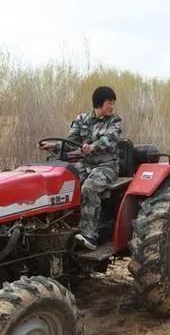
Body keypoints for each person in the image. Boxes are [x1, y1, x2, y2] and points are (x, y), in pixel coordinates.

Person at [40, 86, 122, 250]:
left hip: (106, 165)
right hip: (86, 164)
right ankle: (56, 227)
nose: (112, 106)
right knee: (62, 183)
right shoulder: (82, 119)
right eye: (109, 103)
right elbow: (70, 142)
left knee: (89, 188)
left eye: (113, 103)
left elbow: (110, 140)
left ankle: (90, 236)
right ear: (99, 102)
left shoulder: (114, 121)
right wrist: (55, 146)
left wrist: (93, 147)